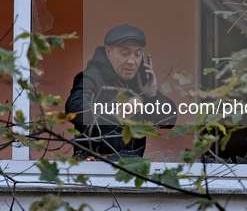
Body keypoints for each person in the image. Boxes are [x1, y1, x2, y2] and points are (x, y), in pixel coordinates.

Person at [65, 24, 177, 160]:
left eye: (137, 54)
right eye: (125, 54)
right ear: (108, 52)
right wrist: (115, 113)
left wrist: (152, 94)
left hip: (131, 169)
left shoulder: (139, 82)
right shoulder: (91, 77)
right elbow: (74, 109)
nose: (132, 61)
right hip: (94, 171)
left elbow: (169, 120)